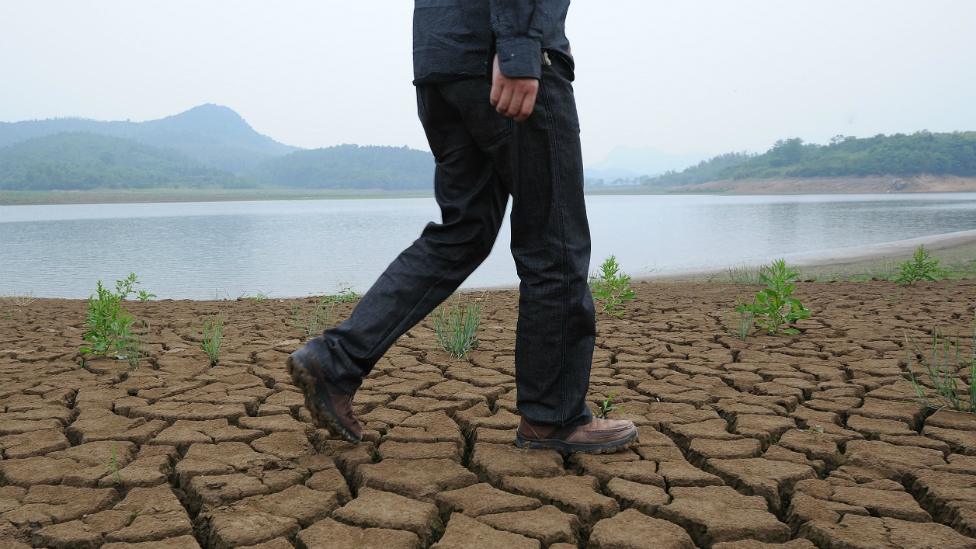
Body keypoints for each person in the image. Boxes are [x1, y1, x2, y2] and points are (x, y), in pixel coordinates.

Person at [287, 0, 637, 454]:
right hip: (503, 60)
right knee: (556, 242)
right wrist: (518, 49)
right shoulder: (514, 52)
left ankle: (335, 360)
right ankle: (554, 418)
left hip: (442, 65)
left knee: (462, 233)